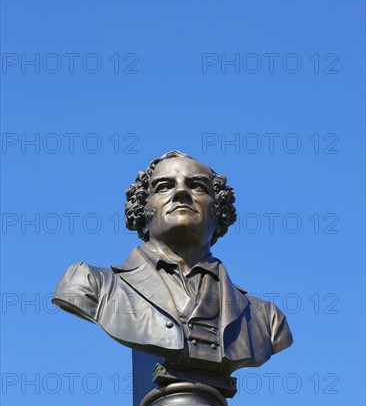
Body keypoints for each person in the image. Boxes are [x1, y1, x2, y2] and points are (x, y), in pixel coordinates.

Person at [52, 151, 293, 377]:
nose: (181, 193)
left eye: (197, 186)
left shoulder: (266, 318)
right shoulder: (91, 283)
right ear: (142, 211)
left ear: (219, 212)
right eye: (164, 187)